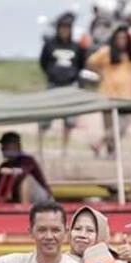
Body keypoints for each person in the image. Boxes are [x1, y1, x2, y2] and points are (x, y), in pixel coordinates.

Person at [86, 24, 131, 157]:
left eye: (124, 38)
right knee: (109, 127)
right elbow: (90, 62)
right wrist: (100, 73)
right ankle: (112, 154)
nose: (121, 41)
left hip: (126, 97)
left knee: (121, 127)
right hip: (107, 95)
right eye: (119, 38)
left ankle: (99, 143)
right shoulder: (106, 52)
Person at [38, 12, 86, 156]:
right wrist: (51, 73)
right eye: (62, 27)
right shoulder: (50, 44)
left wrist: (74, 77)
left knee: (69, 119)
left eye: (67, 28)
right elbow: (43, 62)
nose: (65, 30)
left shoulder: (76, 46)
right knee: (45, 116)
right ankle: (40, 147)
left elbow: (81, 64)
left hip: (70, 85)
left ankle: (64, 148)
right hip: (53, 84)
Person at [0, 132, 52, 204]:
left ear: (17, 146)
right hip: (16, 198)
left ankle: (24, 211)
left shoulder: (27, 160)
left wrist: (12, 171)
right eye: (2, 145)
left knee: (25, 179)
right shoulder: (4, 165)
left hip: (41, 201)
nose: (2, 148)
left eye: (6, 145)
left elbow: (22, 171)